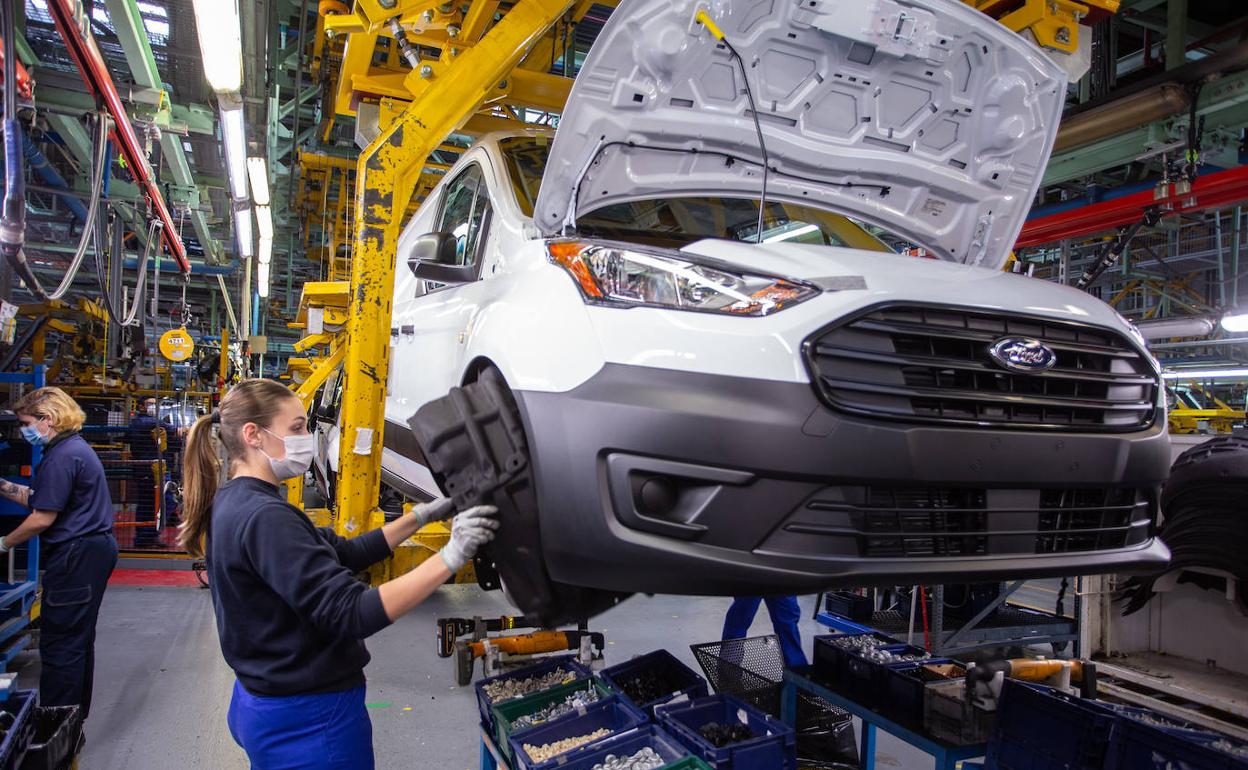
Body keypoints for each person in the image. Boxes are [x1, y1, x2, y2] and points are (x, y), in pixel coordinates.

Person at [180, 378, 498, 769]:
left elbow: (344, 553)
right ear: (253, 436)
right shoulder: (266, 519)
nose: (306, 437)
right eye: (296, 428)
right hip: (308, 720)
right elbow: (351, 613)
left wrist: (419, 517)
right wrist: (450, 557)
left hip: (263, 702)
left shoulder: (237, 501)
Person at [0, 387, 118, 719]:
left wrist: (4, 544)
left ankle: (56, 726)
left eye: (25, 423)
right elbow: (41, 498)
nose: (23, 431)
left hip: (76, 556)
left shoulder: (64, 455)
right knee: (76, 642)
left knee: (61, 646)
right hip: (89, 553)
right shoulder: (71, 450)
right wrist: (3, 485)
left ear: (47, 419)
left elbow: (41, 517)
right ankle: (71, 723)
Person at [722, 596, 809, 668]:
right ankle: (728, 673)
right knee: (739, 618)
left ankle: (796, 677)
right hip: (751, 577)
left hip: (784, 578)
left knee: (787, 622)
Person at [126, 396, 161, 547]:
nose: (153, 407)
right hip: (144, 469)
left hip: (153, 469)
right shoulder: (141, 422)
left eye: (155, 404)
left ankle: (150, 537)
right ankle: (143, 539)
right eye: (150, 404)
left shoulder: (150, 423)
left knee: (154, 504)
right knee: (147, 504)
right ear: (141, 407)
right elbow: (162, 425)